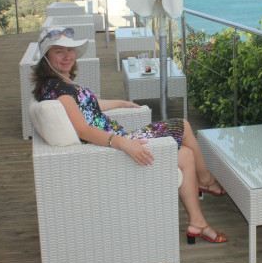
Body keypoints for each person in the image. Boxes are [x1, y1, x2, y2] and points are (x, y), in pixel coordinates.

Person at [32, 26, 228, 244]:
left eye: (69, 50)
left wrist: (122, 103)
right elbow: (83, 130)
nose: (67, 56)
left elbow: (89, 107)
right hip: (113, 149)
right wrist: (123, 143)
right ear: (46, 57)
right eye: (58, 51)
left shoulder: (59, 83)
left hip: (114, 141)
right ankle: (206, 180)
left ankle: (197, 222)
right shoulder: (58, 89)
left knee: (186, 155)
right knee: (183, 125)